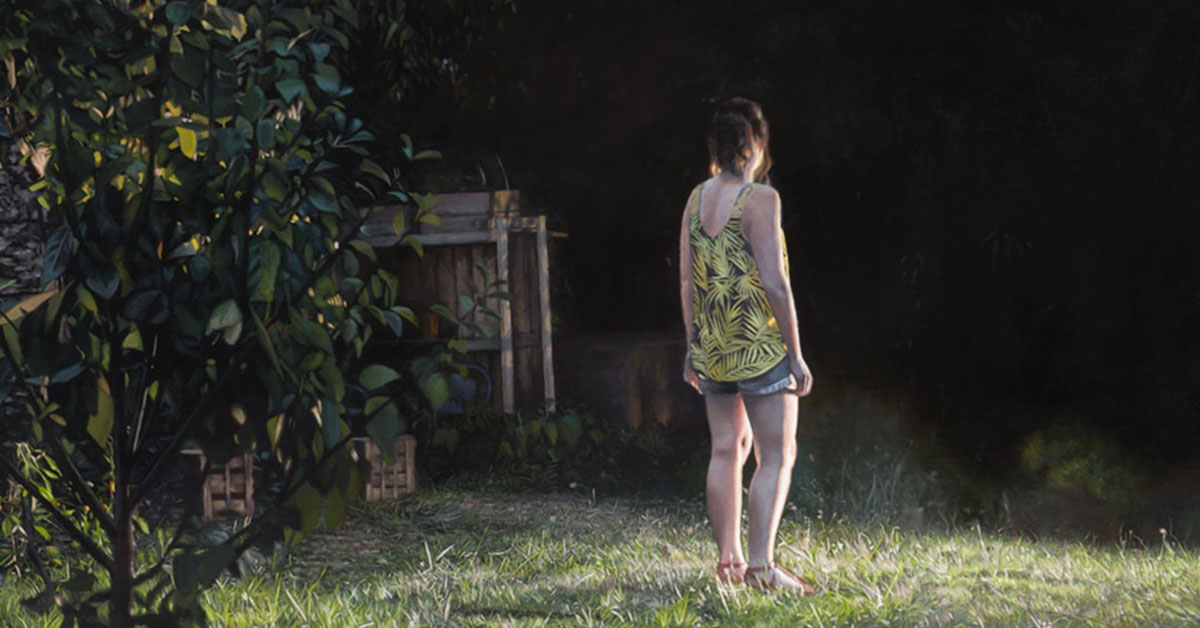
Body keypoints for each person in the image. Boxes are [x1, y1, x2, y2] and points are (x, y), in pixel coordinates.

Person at [678, 97, 815, 592]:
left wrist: (692, 346)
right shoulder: (762, 199)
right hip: (759, 344)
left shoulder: (696, 199)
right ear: (755, 144)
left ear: (713, 147)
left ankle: (729, 562)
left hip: (714, 345)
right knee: (776, 454)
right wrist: (795, 355)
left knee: (725, 450)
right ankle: (761, 567)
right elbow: (775, 283)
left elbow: (687, 282)